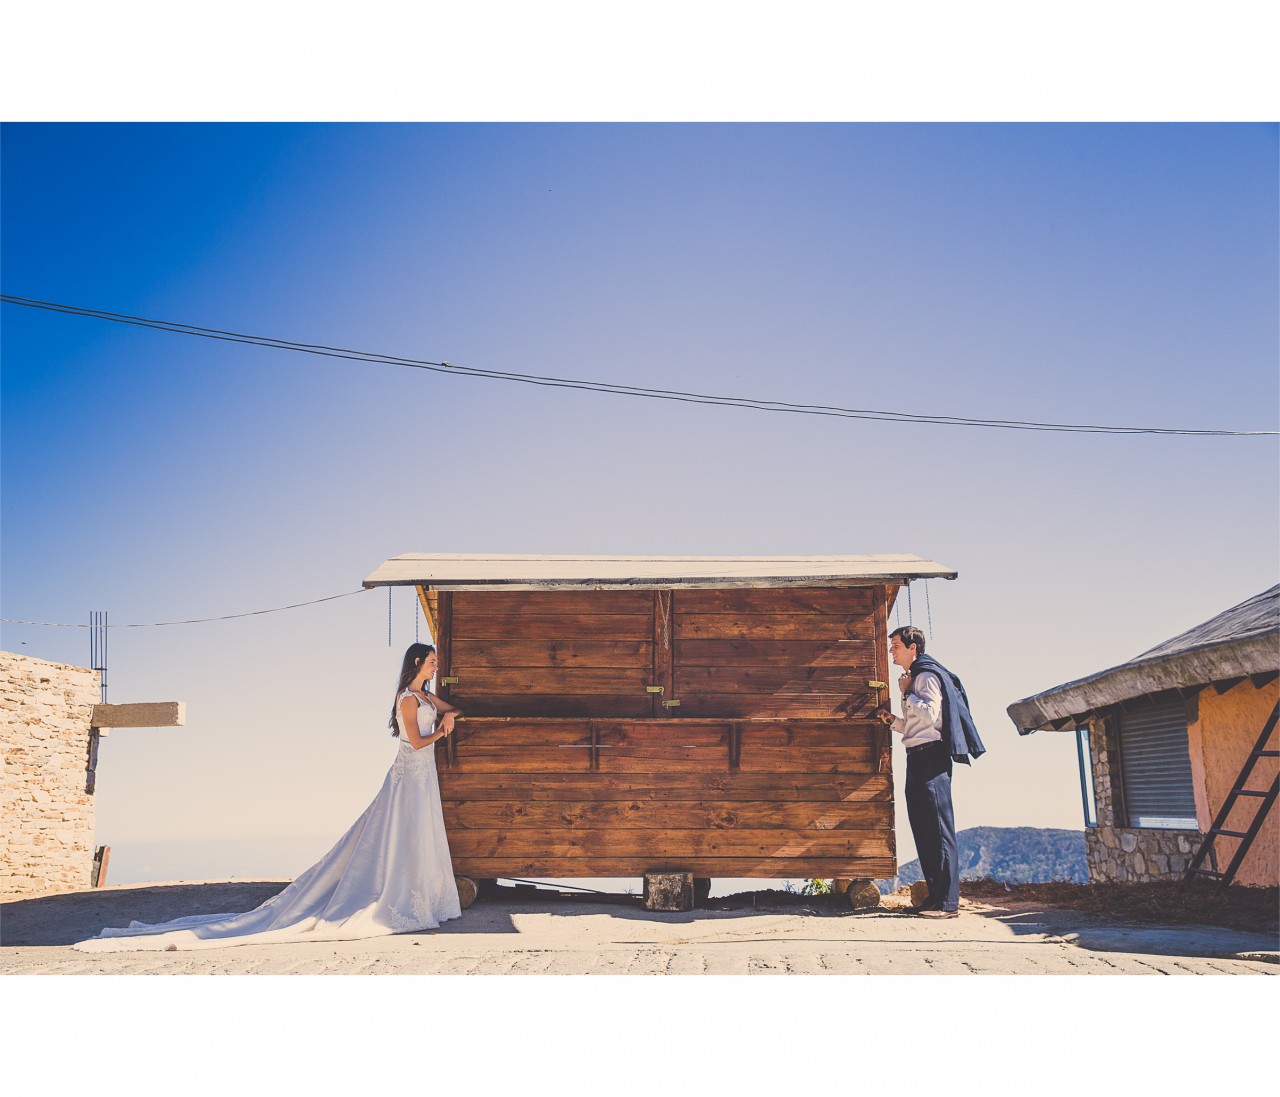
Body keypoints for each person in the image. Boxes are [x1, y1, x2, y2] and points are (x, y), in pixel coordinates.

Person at [73, 643, 464, 951]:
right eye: (432, 661)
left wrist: (447, 714)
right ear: (417, 663)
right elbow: (416, 742)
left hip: (423, 777)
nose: (435, 666)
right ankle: (395, 897)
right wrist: (443, 730)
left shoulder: (426, 698)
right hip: (408, 774)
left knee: (420, 834)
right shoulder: (407, 699)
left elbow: (455, 709)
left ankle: (425, 897)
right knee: (399, 834)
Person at [875, 625, 984, 919]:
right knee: (924, 829)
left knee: (938, 828)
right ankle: (935, 900)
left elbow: (930, 714)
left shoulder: (925, 676)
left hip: (932, 757)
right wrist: (893, 721)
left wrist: (907, 693)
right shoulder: (914, 678)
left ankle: (947, 904)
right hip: (917, 756)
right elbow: (916, 726)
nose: (891, 650)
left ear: (913, 648)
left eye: (896, 645)